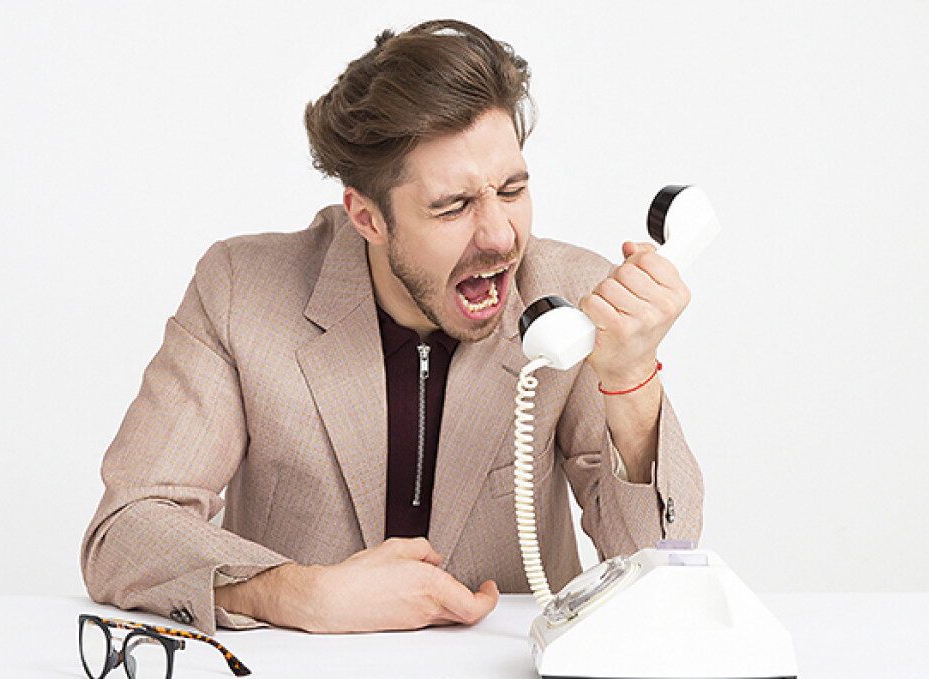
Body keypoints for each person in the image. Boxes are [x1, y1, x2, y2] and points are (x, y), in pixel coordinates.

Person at [81, 19, 703, 637]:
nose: (500, 236)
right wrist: (298, 594)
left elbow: (661, 566)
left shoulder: (569, 295)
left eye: (512, 190)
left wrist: (630, 381)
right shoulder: (242, 289)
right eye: (453, 206)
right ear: (368, 217)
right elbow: (127, 528)